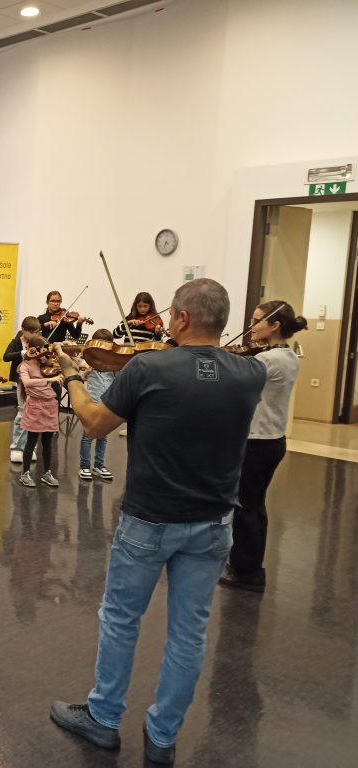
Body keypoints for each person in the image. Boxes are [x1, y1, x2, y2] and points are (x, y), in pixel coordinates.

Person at [48, 278, 266, 765]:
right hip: (214, 522)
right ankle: (163, 737)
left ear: (182, 318)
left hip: (150, 519)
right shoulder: (250, 374)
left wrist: (72, 375)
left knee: (121, 619)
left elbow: (94, 423)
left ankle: (104, 718)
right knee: (189, 633)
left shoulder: (148, 366)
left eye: (170, 315)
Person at [220, 300, 306, 593]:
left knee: (248, 508)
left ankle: (248, 573)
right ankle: (245, 566)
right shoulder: (286, 355)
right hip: (270, 440)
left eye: (256, 320)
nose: (250, 326)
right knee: (252, 504)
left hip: (258, 442)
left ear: (275, 325)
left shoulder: (269, 360)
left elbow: (230, 383)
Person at [17, 335, 62, 488]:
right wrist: (49, 380)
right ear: (33, 350)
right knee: (31, 441)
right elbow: (27, 383)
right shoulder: (25, 366)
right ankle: (25, 474)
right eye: (43, 351)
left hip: (50, 405)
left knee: (48, 442)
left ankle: (47, 473)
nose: (46, 355)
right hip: (35, 406)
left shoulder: (47, 361)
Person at [78, 328, 116, 482]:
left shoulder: (113, 363)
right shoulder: (89, 360)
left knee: (103, 436)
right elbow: (80, 377)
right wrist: (87, 371)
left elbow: (118, 379)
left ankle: (99, 465)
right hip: (92, 402)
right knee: (87, 436)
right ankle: (84, 466)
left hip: (107, 403)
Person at [4, 316, 41, 464]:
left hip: (36, 381)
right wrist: (21, 353)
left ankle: (30, 447)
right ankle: (17, 447)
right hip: (22, 381)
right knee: (22, 412)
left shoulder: (38, 342)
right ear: (23, 330)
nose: (34, 335)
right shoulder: (16, 342)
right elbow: (6, 357)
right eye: (31, 332)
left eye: (37, 332)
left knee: (34, 414)